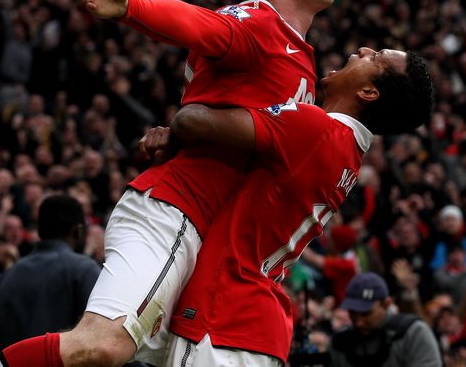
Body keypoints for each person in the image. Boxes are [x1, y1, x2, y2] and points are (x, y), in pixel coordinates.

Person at [0, 0, 333, 367]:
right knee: (102, 345)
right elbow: (202, 24)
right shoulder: (260, 20)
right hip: (177, 212)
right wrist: (132, 6)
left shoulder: (300, 58)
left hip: (207, 242)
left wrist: (180, 132)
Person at [158, 47, 434, 366]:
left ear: (368, 92)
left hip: (222, 314)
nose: (363, 51)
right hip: (254, 325)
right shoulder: (347, 152)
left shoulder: (315, 128)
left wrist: (175, 133)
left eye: (376, 58)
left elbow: (190, 121)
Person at [0, 195, 101, 365]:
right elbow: (102, 340)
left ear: (40, 230)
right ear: (78, 231)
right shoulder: (84, 270)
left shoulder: (3, 279)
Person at [331, 272, 442, 367]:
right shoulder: (340, 343)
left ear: (386, 304)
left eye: (366, 314)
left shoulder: (412, 333)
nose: (358, 322)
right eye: (352, 313)